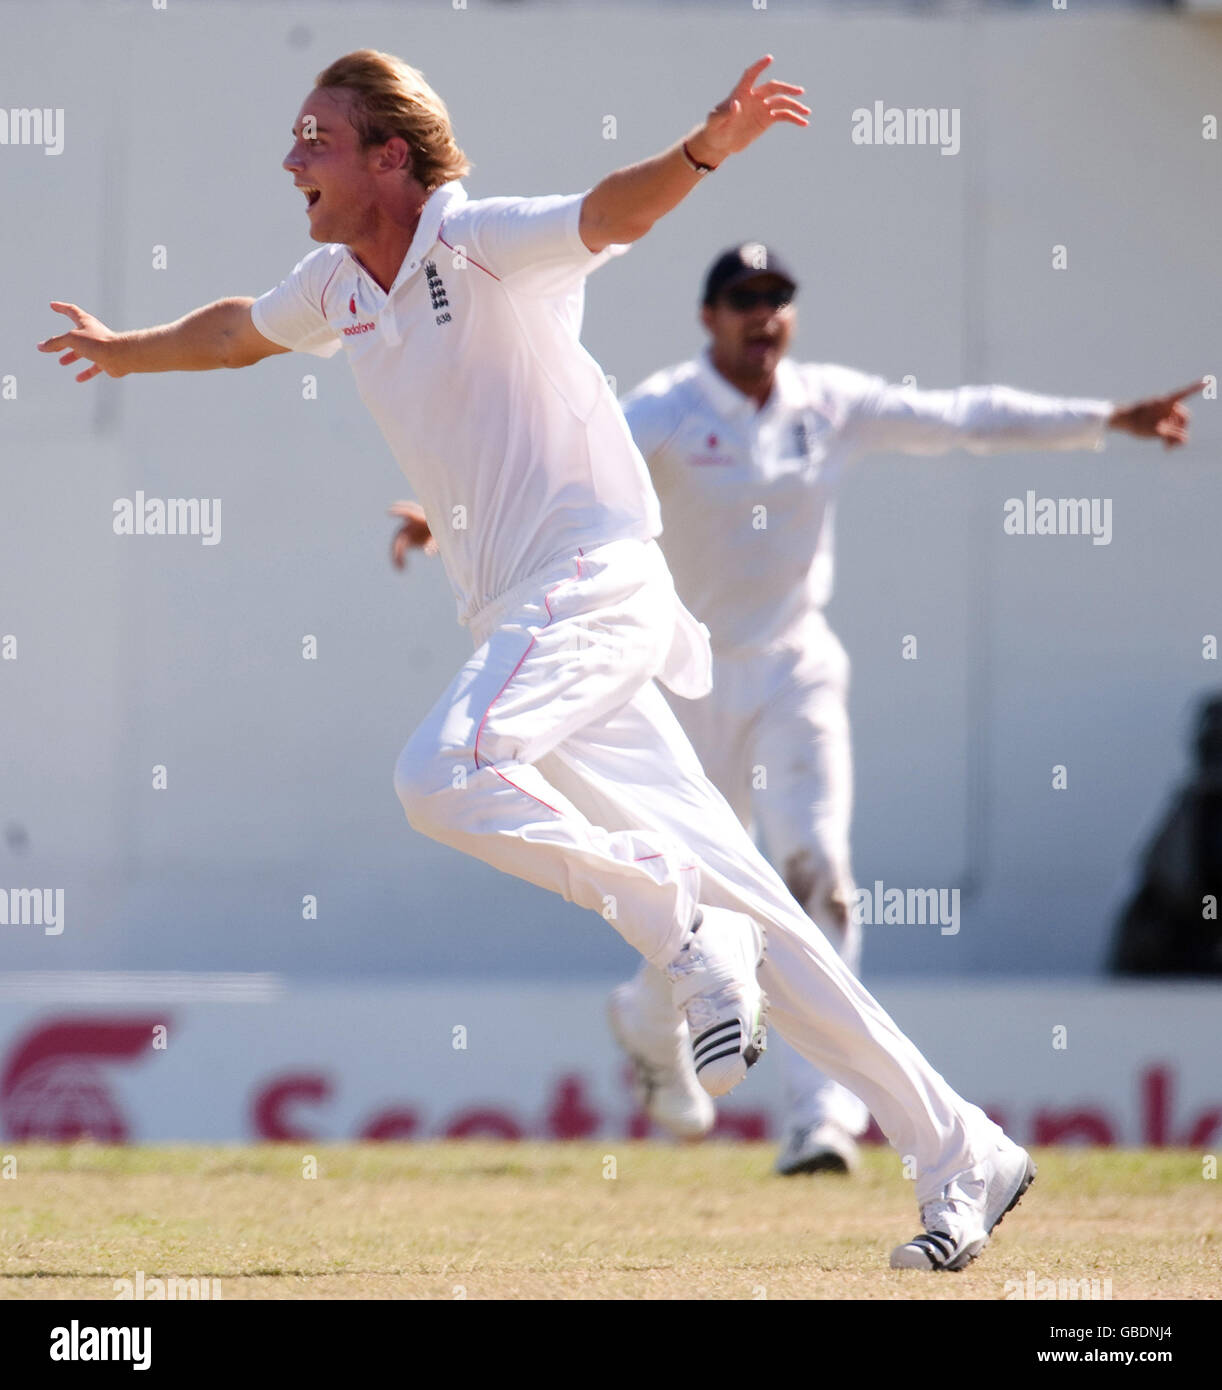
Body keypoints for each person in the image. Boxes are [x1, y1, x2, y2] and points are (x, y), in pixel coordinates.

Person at [42, 47, 1038, 1271]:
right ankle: (963, 1152)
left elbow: (608, 212)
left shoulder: (473, 239)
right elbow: (239, 333)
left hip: (595, 581)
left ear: (388, 159)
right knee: (767, 919)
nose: (290, 158)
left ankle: (677, 929)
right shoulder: (336, 282)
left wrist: (706, 146)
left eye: (316, 137)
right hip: (528, 617)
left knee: (440, 774)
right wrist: (126, 350)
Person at [600, 246, 1204, 1176]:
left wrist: (1105, 421)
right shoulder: (666, 407)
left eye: (779, 299)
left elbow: (959, 417)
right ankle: (648, 1021)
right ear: (707, 315)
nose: (764, 317)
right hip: (686, 680)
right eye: (743, 300)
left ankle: (819, 1119)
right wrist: (457, 521)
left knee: (817, 872)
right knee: (693, 895)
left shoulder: (826, 403)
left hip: (797, 669)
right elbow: (578, 467)